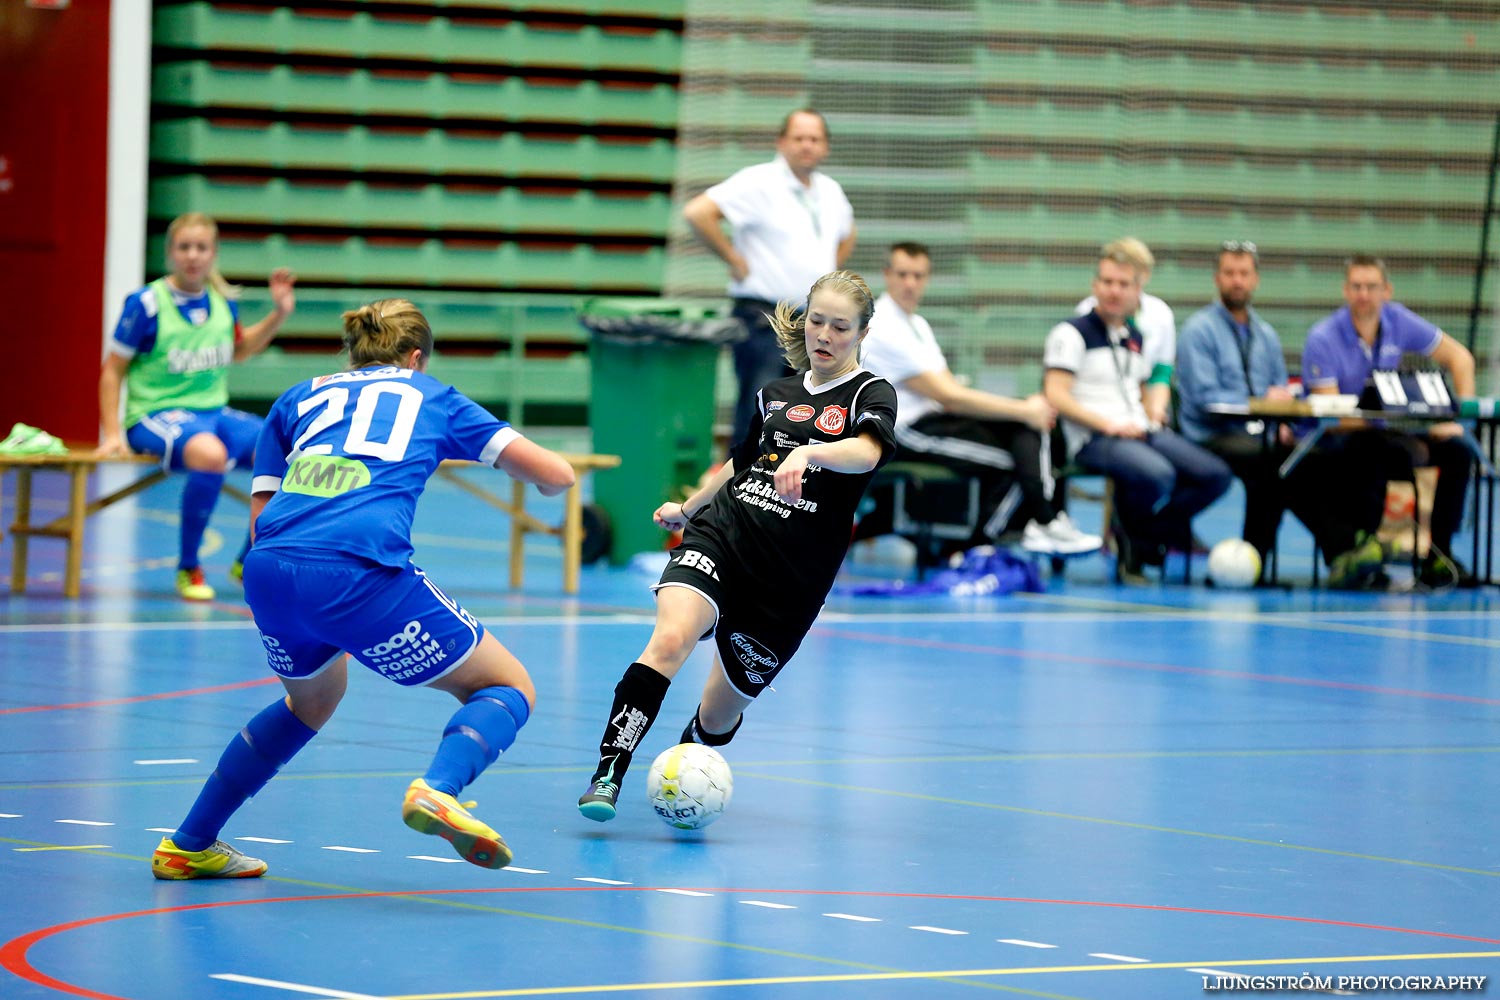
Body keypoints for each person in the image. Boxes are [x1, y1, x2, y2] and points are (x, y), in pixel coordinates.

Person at [149, 299, 577, 879]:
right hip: (357, 567)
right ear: (417, 357)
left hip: (270, 568)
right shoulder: (432, 396)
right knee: (508, 684)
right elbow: (557, 475)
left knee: (312, 702)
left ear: (353, 354)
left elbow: (259, 519)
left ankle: (189, 843)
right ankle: (440, 788)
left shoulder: (296, 398)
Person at [576, 270, 897, 821]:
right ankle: (608, 772)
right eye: (816, 320)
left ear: (861, 333)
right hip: (726, 534)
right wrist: (690, 508)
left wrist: (811, 454)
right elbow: (740, 464)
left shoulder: (871, 393)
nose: (823, 334)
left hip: (789, 580)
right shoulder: (775, 392)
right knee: (672, 637)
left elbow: (868, 454)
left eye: (839, 327)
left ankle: (689, 757)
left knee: (718, 718)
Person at [96, 211, 296, 602]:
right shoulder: (147, 303)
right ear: (170, 253)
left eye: (201, 248)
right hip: (155, 416)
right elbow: (112, 370)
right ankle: (189, 566)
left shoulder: (222, 302)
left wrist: (279, 314)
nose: (192, 255)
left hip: (212, 413)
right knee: (211, 454)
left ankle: (248, 559)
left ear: (213, 254)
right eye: (184, 247)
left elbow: (239, 351)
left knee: (287, 450)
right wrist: (113, 434)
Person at [859, 241, 1099, 555]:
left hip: (935, 419)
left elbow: (947, 390)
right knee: (1017, 460)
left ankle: (1045, 523)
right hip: (907, 432)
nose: (910, 283)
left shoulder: (917, 325)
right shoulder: (884, 326)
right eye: (903, 274)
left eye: (918, 276)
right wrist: (1022, 410)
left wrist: (1024, 412)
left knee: (1024, 430)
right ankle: (982, 546)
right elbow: (949, 396)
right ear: (887, 275)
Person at [1176, 241, 1377, 586]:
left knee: (1303, 458)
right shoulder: (1199, 330)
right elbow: (1204, 399)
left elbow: (1282, 390)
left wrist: (1283, 419)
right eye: (1229, 274)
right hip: (1211, 436)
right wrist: (1258, 401)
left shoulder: (1265, 335)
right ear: (1217, 279)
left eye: (1244, 274)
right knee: (1275, 465)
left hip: (1260, 434)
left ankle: (1262, 559)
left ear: (1255, 280)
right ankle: (1341, 549)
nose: (1237, 281)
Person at [1043, 245, 1233, 581]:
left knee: (1214, 475)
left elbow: (1146, 384)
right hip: (1095, 436)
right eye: (1106, 282)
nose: (1113, 290)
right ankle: (1135, 540)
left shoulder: (1135, 337)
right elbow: (1055, 393)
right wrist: (1108, 424)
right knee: (1158, 474)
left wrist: (1152, 414)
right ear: (1095, 285)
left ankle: (1143, 536)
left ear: (1138, 289)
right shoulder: (1071, 333)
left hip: (1139, 429)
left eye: (1122, 284)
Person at [682, 109, 857, 451]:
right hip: (764, 319)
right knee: (758, 408)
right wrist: (732, 258)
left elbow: (849, 232)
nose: (807, 145)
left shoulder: (831, 192)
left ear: (826, 147)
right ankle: (740, 491)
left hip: (811, 321)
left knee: (806, 413)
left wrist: (829, 267)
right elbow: (698, 213)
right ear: (781, 142)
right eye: (799, 137)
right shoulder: (759, 182)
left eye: (815, 139)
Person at [1302, 254, 1478, 588]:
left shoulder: (1399, 321)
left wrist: (1455, 418)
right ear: (1345, 290)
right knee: (1373, 447)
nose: (1364, 294)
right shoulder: (1323, 337)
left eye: (1371, 286)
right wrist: (1390, 421)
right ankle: (1364, 551)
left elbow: (1461, 358)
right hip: (1339, 440)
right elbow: (1331, 415)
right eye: (1356, 286)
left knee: (1457, 451)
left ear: (1387, 290)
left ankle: (1438, 555)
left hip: (1392, 434)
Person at [1076, 237, 1176, 431]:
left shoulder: (1161, 314)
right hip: (1103, 413)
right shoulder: (1086, 313)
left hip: (1143, 410)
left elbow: (1161, 374)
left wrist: (1155, 412)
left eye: (1125, 280)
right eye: (1110, 279)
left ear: (1142, 277)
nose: (1116, 289)